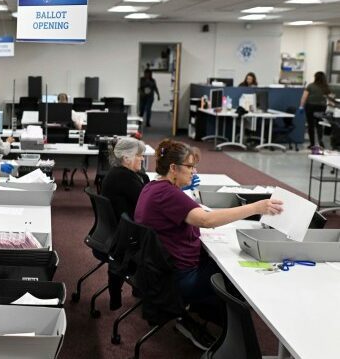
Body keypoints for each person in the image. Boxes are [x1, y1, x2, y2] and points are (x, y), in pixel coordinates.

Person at [134, 139, 282, 349]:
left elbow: (196, 217)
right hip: (179, 277)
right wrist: (256, 207)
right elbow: (206, 220)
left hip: (162, 270)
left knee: (224, 262)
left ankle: (203, 317)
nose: (194, 172)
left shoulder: (153, 187)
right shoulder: (168, 194)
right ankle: (236, 338)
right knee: (237, 275)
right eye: (190, 167)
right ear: (173, 168)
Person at [101, 137, 150, 310]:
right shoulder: (125, 179)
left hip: (116, 234)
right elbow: (148, 203)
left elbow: (144, 189)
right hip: (127, 237)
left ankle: (140, 288)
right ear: (127, 158)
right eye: (139, 156)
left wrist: (143, 176)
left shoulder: (118, 173)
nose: (142, 159)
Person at [300, 71, 331, 149]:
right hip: (321, 107)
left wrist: (301, 106)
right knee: (319, 124)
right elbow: (329, 98)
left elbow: (304, 97)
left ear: (315, 77)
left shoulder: (310, 86)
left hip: (311, 106)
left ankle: (312, 143)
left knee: (311, 125)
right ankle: (320, 143)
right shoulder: (326, 87)